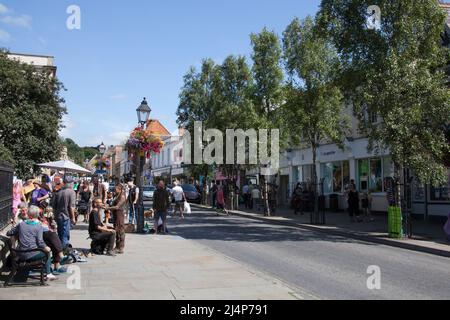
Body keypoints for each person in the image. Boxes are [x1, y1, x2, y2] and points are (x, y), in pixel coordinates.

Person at [7, 206, 56, 281]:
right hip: (32, 253)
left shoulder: (21, 224)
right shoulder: (38, 226)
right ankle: (48, 273)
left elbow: (9, 233)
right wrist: (46, 248)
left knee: (45, 250)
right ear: (37, 215)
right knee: (47, 252)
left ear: (28, 214)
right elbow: (40, 242)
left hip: (21, 252)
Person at [39, 207, 67, 274]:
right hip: (39, 238)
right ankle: (60, 258)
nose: (49, 213)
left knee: (53, 240)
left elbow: (51, 228)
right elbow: (42, 228)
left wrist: (53, 225)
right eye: (47, 212)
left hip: (43, 236)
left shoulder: (49, 219)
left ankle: (57, 265)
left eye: (50, 212)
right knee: (52, 236)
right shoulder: (37, 219)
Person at [51, 176, 77, 250]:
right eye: (72, 183)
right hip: (66, 216)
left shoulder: (59, 192)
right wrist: (73, 218)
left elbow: (54, 206)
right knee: (65, 236)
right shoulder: (71, 192)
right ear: (70, 183)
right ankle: (63, 252)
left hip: (58, 216)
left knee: (60, 234)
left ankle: (59, 250)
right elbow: (71, 206)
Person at [107, 184, 127, 254]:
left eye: (116, 189)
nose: (114, 191)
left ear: (120, 189)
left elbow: (117, 207)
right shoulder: (117, 196)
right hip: (116, 215)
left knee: (120, 230)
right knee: (116, 229)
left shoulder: (122, 196)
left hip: (119, 215)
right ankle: (117, 246)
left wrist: (108, 208)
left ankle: (120, 247)